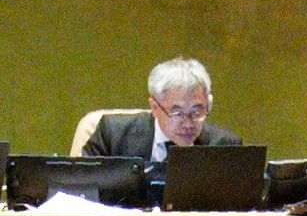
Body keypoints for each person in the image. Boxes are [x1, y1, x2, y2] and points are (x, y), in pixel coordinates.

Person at [83, 56, 243, 189]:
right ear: (154, 107)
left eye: (197, 112)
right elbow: (82, 192)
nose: (188, 124)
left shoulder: (225, 147)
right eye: (177, 112)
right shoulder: (112, 135)